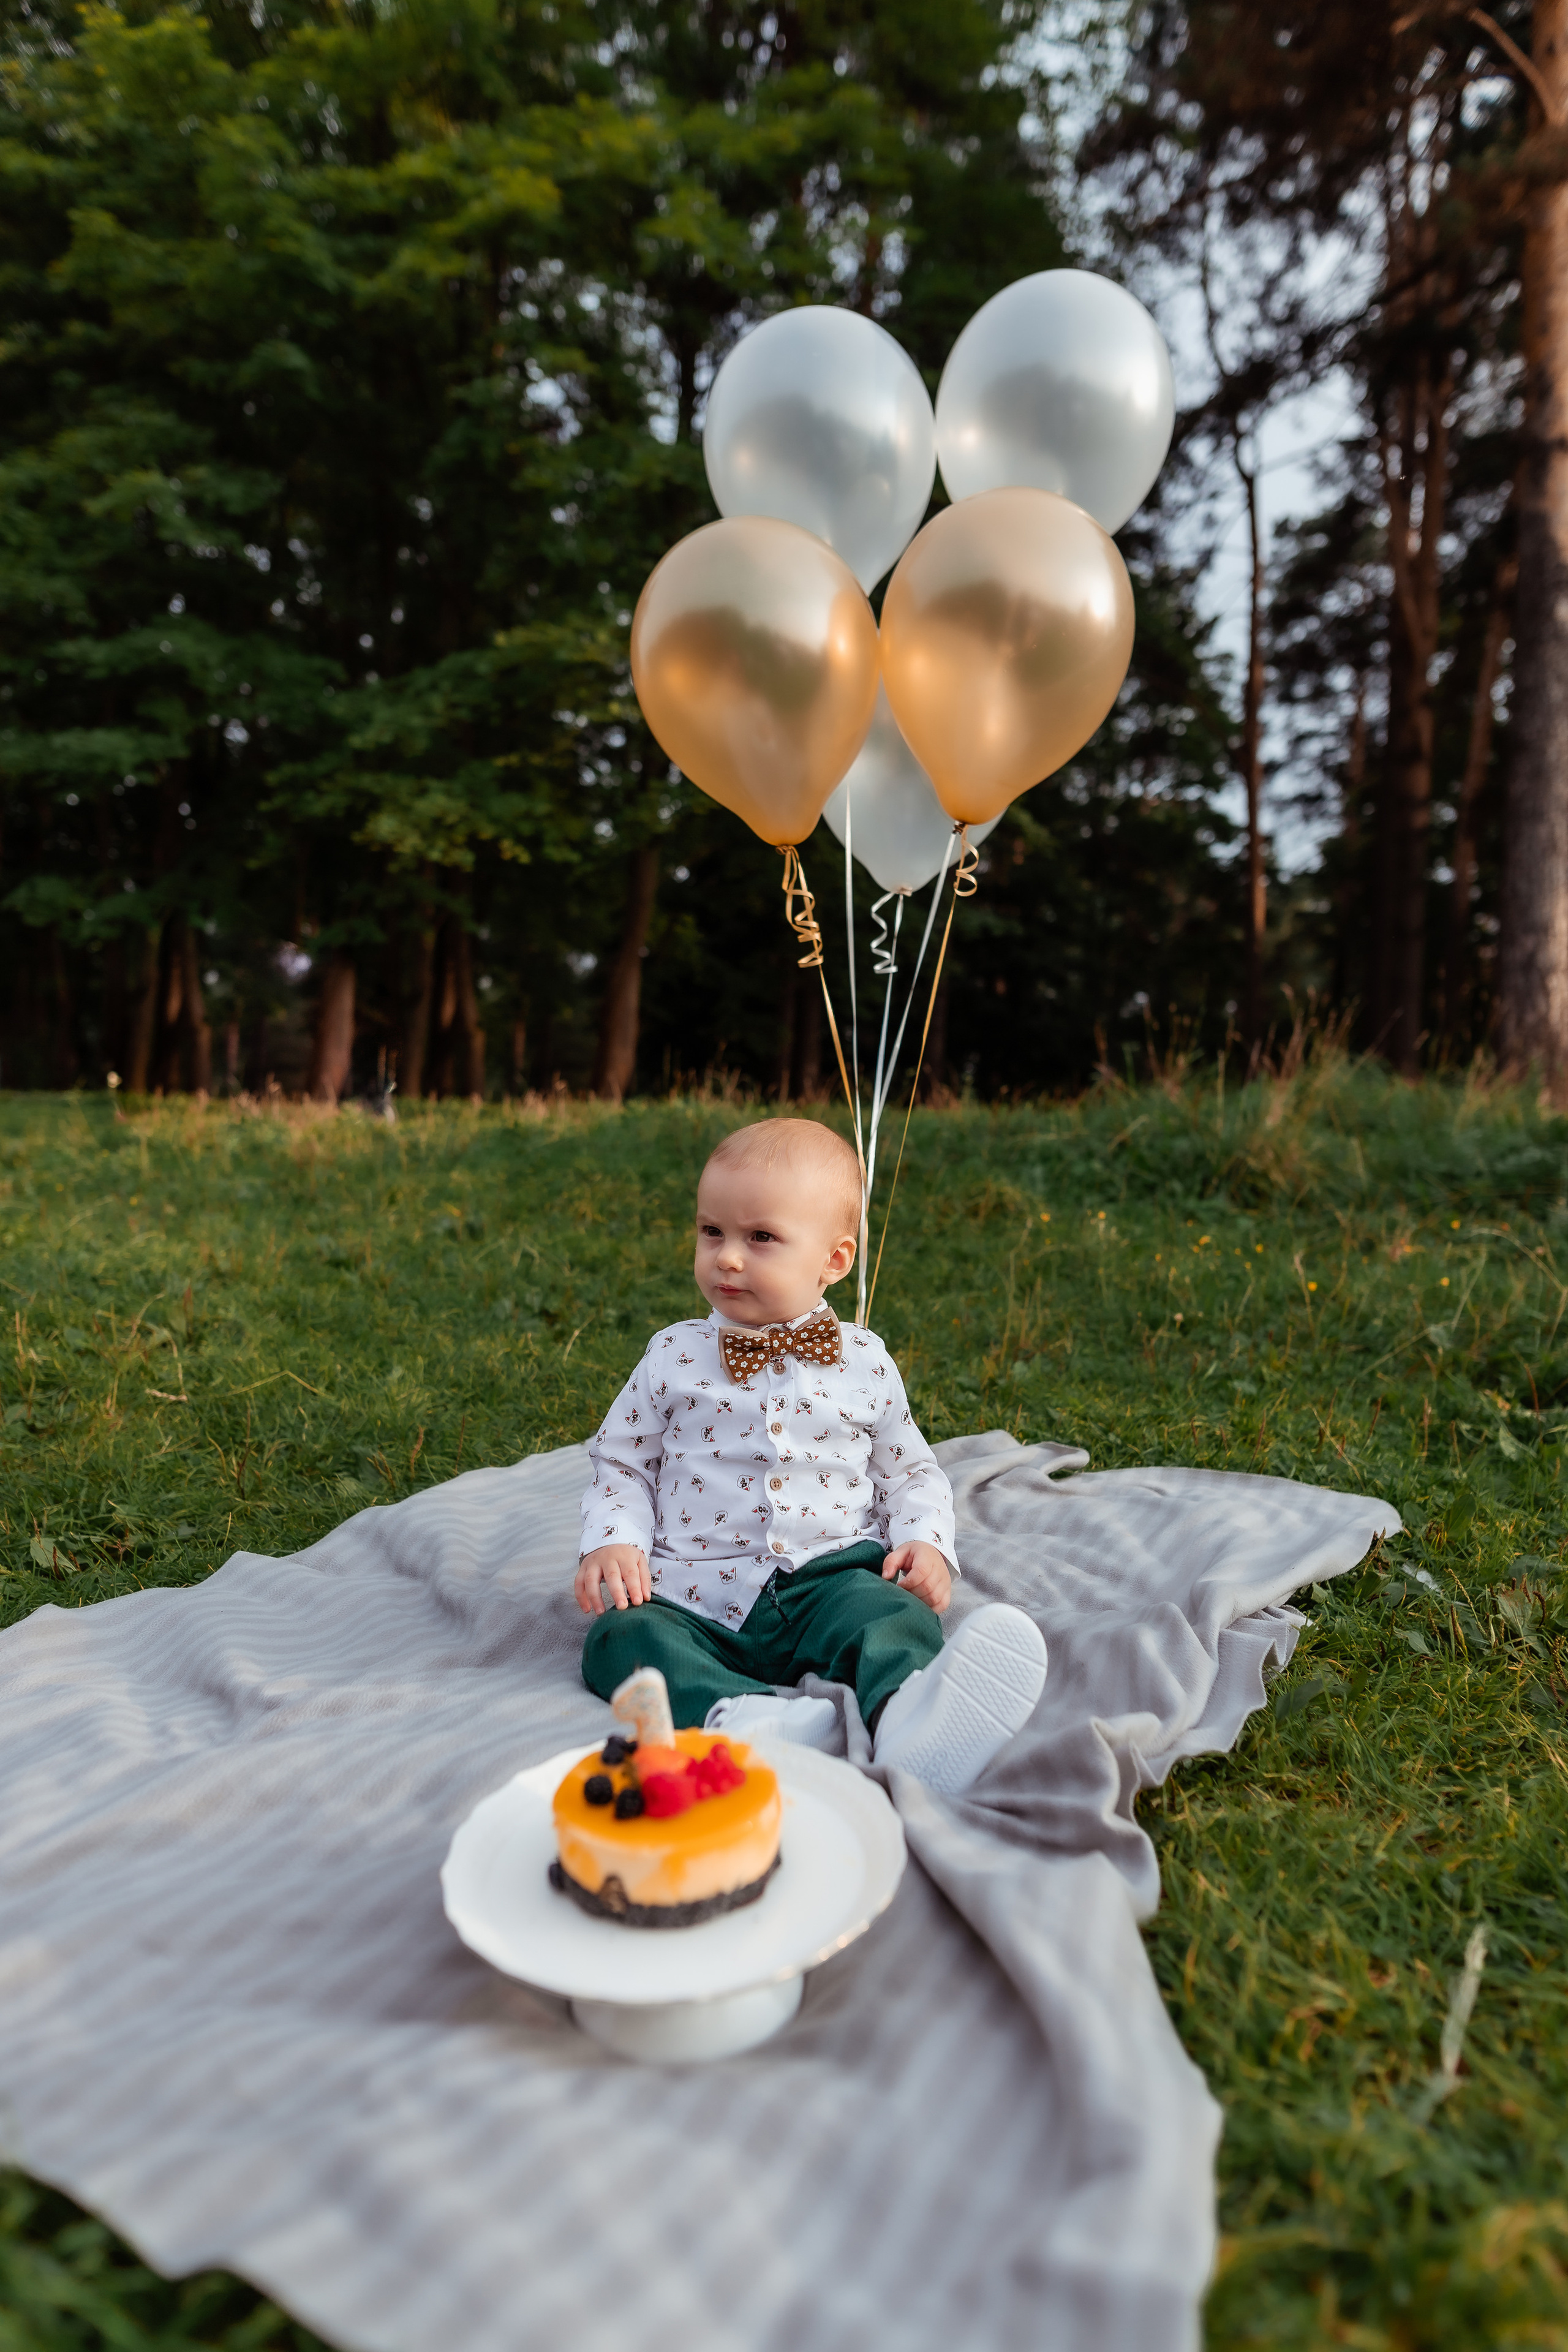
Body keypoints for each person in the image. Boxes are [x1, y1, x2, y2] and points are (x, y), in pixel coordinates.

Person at [574, 1117, 1047, 1796]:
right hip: (691, 1594)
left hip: (827, 1576)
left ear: (834, 1260)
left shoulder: (864, 1362)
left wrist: (925, 1541)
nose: (728, 1257)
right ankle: (741, 1719)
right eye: (712, 1232)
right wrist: (613, 1543)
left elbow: (908, 1470)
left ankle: (912, 1717)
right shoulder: (672, 1357)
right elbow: (622, 1463)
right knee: (620, 1640)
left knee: (891, 1616)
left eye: (760, 1237)